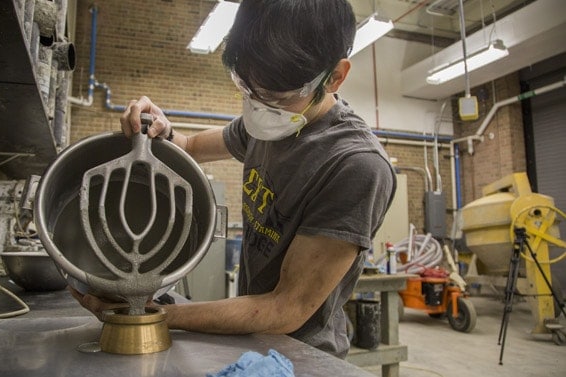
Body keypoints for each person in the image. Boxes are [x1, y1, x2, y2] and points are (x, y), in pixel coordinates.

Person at [70, 0, 396, 358]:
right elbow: (190, 146)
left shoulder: (354, 165)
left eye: (274, 97)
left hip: (302, 357)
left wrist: (157, 313)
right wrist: (159, 128)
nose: (258, 107)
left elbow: (287, 307)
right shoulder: (270, 121)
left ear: (334, 76)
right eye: (247, 88)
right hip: (252, 338)